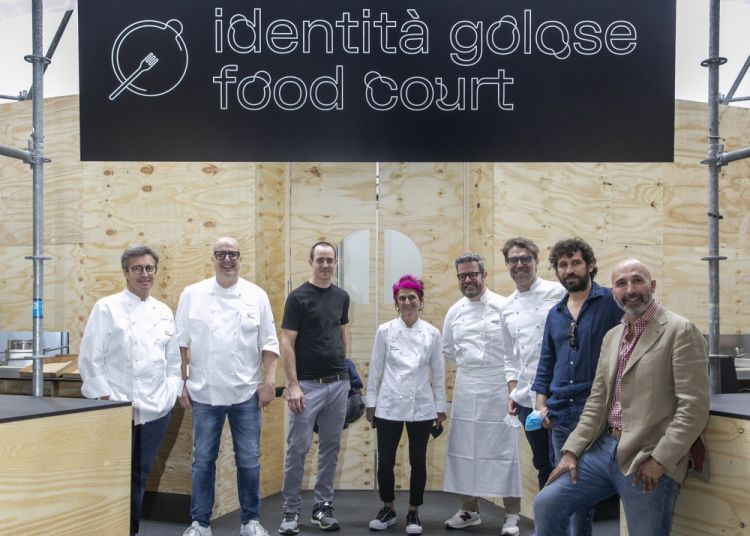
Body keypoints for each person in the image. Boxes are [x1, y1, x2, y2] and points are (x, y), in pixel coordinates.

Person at [533, 259, 710, 535]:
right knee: (547, 503)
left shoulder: (680, 331)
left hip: (647, 455)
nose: (630, 289)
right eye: (621, 283)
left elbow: (694, 407)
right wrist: (571, 451)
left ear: (652, 285)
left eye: (638, 280)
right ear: (612, 292)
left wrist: (661, 460)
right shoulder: (613, 336)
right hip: (604, 449)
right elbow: (596, 401)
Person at [176, 237, 279, 536]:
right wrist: (182, 383)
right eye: (221, 254)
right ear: (212, 258)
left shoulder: (255, 295)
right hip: (204, 392)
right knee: (203, 460)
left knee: (248, 459)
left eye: (232, 254)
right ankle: (200, 524)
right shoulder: (192, 294)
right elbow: (180, 344)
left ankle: (251, 521)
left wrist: (269, 381)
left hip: (245, 393)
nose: (227, 260)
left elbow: (269, 343)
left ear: (240, 258)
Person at [79, 245, 182, 536]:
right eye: (137, 268)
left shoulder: (163, 311)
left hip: (155, 410)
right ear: (126, 272)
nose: (144, 274)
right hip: (116, 408)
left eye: (149, 268)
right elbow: (90, 358)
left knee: (139, 476)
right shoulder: (106, 307)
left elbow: (174, 362)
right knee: (112, 477)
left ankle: (131, 531)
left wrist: (170, 394)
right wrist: (106, 400)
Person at [530, 237, 623, 536]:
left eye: (575, 263)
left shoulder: (611, 302)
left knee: (583, 493)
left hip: (595, 412)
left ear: (590, 265)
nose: (569, 270)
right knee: (563, 486)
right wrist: (541, 406)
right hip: (559, 414)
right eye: (563, 265)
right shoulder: (555, 314)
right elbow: (546, 362)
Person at [442, 253, 522, 536]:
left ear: (483, 275)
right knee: (465, 449)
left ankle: (512, 514)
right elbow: (449, 349)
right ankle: (469, 510)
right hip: (467, 385)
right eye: (462, 276)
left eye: (472, 274)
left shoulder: (504, 306)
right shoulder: (454, 311)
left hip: (498, 386)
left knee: (504, 452)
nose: (468, 280)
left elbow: (516, 350)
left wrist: (514, 391)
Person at [365, 275, 448, 535]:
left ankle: (414, 511)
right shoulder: (385, 331)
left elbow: (439, 371)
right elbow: (376, 368)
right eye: (402, 298)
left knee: (418, 461)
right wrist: (371, 402)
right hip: (389, 403)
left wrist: (440, 406)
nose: (408, 302)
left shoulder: (432, 333)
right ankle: (388, 508)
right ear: (396, 303)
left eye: (412, 297)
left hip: (421, 405)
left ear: (420, 301)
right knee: (386, 461)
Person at [279, 241, 351, 535]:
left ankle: (323, 508)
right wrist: (293, 386)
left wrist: (347, 372)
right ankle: (291, 512)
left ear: (335, 263)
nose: (325, 265)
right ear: (311, 262)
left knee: (330, 449)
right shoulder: (297, 298)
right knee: (298, 449)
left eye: (329, 260)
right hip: (306, 387)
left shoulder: (342, 297)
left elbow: (341, 332)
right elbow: (287, 341)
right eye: (320, 260)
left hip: (337, 384)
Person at [500, 238, 565, 490]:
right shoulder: (506, 307)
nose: (520, 265)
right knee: (543, 463)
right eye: (513, 260)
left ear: (536, 262)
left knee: (562, 459)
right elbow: (510, 357)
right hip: (527, 399)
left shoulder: (558, 292)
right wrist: (512, 391)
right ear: (507, 264)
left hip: (559, 393)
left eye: (525, 258)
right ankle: (547, 523)